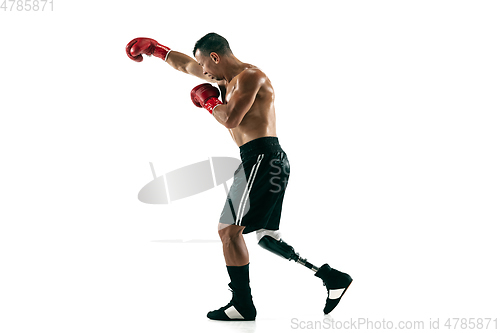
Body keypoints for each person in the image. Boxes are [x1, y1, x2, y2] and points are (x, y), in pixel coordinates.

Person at [125, 33, 352, 321]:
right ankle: (332, 277)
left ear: (215, 57)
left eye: (204, 63)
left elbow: (230, 118)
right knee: (266, 237)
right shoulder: (223, 79)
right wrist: (157, 51)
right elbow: (185, 66)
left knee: (227, 231)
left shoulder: (250, 77)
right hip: (262, 159)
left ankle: (242, 305)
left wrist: (207, 101)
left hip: (262, 157)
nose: (202, 71)